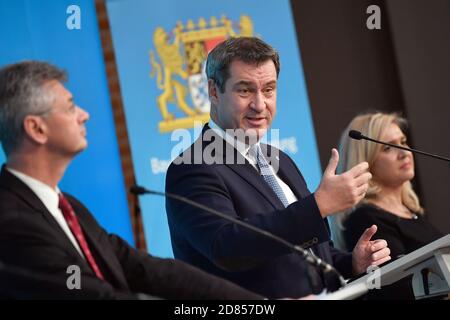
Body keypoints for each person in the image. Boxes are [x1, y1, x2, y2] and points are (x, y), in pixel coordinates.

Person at [0, 60, 264, 300]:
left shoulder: (68, 207)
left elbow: (143, 268)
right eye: (70, 107)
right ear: (36, 128)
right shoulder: (12, 221)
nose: (84, 114)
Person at [165, 37, 391, 299]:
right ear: (214, 91)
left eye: (269, 90)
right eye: (245, 90)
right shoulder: (192, 167)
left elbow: (308, 258)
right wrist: (318, 206)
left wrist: (351, 263)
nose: (260, 105)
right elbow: (227, 247)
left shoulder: (280, 160)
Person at [329, 112, 443, 299]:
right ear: (366, 161)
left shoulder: (412, 212)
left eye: (403, 141)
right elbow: (399, 289)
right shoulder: (366, 219)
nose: (404, 153)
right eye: (388, 148)